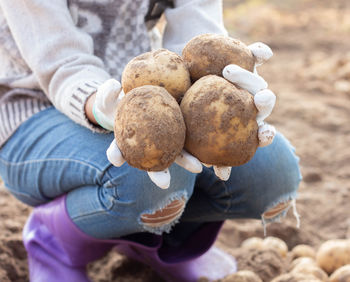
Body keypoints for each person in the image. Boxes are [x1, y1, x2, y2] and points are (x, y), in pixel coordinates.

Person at [0, 0, 302, 281]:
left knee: (272, 174)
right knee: (146, 180)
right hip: (31, 111)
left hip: (148, 98)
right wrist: (105, 109)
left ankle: (158, 244)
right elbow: (61, 61)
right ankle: (53, 237)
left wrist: (220, 85)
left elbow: (197, 39)